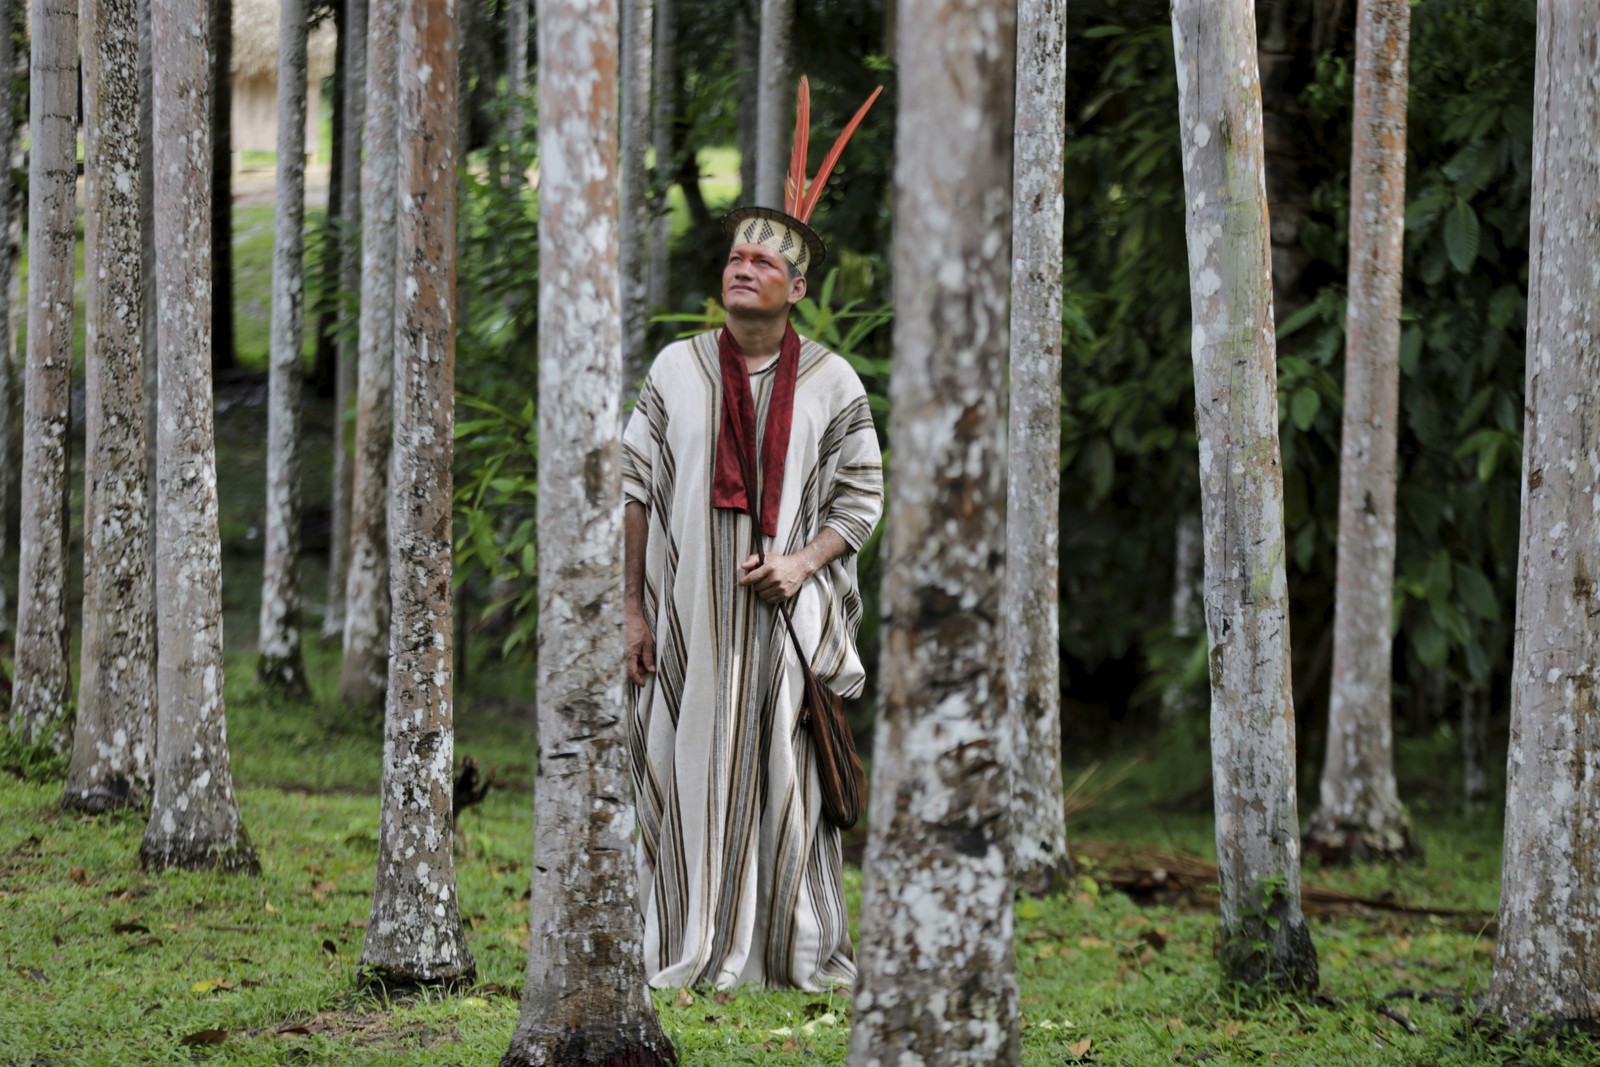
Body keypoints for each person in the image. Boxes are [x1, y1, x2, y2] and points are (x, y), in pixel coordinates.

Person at [621, 79, 883, 991]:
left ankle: (788, 955)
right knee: (676, 770)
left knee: (789, 788)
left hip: (784, 623)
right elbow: (636, 489)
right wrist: (632, 609)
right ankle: (680, 947)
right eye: (735, 257)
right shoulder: (676, 369)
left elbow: (861, 497)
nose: (743, 268)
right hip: (688, 614)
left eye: (764, 264)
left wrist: (801, 565)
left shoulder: (834, 384)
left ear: (797, 288)